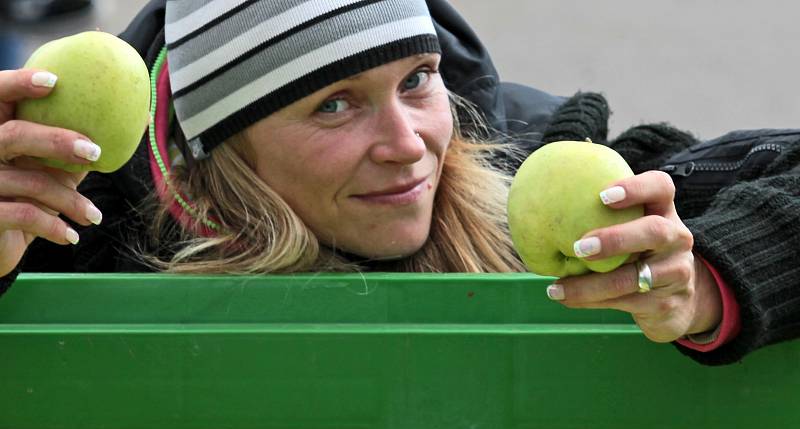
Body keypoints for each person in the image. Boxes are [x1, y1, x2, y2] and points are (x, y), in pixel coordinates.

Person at [0, 0, 798, 367]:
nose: (408, 143)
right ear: (221, 152)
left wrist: (709, 282)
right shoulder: (82, 222)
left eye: (417, 79)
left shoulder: (534, 160)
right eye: (335, 104)